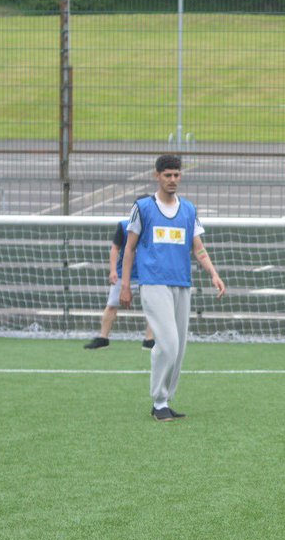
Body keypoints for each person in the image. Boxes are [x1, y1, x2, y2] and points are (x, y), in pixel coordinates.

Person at [119, 155, 226, 421]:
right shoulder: (143, 207)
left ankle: (165, 399)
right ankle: (158, 402)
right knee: (168, 343)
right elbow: (129, 248)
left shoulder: (189, 210)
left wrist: (213, 273)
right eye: (167, 175)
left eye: (176, 175)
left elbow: (198, 249)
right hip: (153, 282)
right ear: (157, 176)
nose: (172, 180)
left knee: (180, 348)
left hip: (182, 283)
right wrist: (125, 284)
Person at [85, 213, 155, 350]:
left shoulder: (156, 227)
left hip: (147, 274)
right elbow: (115, 248)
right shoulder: (124, 225)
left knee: (153, 307)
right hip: (124, 274)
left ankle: (149, 340)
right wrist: (113, 270)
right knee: (111, 305)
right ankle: (103, 338)